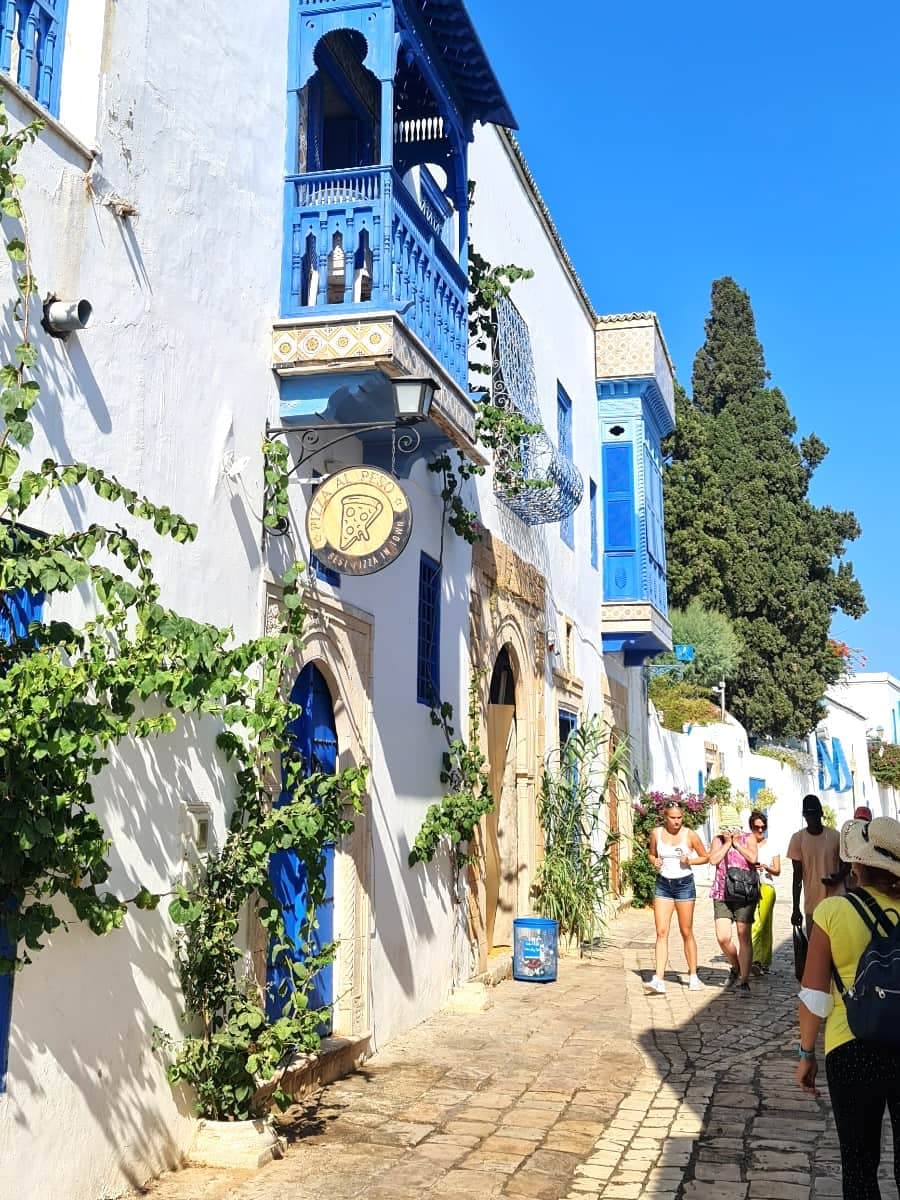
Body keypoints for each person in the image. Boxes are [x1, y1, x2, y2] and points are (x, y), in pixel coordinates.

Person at [796, 816, 900, 1198]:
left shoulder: (833, 912)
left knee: (859, 1166)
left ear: (856, 864)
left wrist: (806, 1053)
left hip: (852, 1045)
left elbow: (814, 994)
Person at [646, 800, 709, 994]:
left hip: (684, 884)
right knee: (661, 931)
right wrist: (654, 861)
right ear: (665, 817)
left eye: (679, 818)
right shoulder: (656, 833)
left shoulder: (689, 835)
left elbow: (705, 856)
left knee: (686, 930)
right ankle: (659, 978)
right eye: (673, 818)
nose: (676, 822)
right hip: (663, 884)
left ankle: (692, 975)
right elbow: (650, 854)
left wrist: (689, 860)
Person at [709, 819, 759, 995]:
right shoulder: (718, 840)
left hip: (744, 891)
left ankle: (744, 980)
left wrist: (737, 844)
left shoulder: (749, 838)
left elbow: (753, 858)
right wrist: (727, 843)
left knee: (743, 934)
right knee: (723, 937)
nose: (730, 830)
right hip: (722, 892)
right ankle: (736, 966)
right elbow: (713, 860)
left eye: (733, 827)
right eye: (726, 827)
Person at [788, 794, 841, 937]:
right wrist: (795, 908)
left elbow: (847, 865)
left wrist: (838, 877)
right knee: (816, 951)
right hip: (813, 905)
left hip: (836, 902)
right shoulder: (797, 839)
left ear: (821, 813)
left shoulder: (836, 837)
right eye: (808, 814)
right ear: (804, 815)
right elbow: (797, 877)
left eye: (815, 813)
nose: (812, 818)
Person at [749, 809, 780, 974]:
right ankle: (756, 959)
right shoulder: (747, 844)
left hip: (767, 885)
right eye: (756, 827)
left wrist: (766, 866)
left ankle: (762, 960)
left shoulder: (772, 845)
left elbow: (777, 870)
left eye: (763, 827)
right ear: (751, 827)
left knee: (764, 924)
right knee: (754, 923)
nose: (760, 830)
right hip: (749, 885)